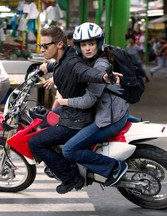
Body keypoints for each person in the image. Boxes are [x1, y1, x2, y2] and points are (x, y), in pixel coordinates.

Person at [27, 26, 120, 194]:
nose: (42, 49)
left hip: (84, 117)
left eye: (45, 46)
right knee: (46, 120)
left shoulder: (88, 64)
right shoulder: (71, 55)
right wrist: (45, 68)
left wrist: (103, 77)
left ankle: (71, 177)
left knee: (36, 143)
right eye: (83, 45)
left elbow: (84, 73)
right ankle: (60, 162)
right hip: (75, 112)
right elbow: (62, 64)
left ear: (60, 44)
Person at [54, 22, 129, 188]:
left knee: (69, 150)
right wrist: (50, 69)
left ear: (99, 43)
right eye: (83, 45)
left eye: (91, 44)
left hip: (108, 118)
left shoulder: (100, 65)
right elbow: (72, 67)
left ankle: (115, 168)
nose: (87, 48)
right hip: (110, 109)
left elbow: (88, 101)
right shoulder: (88, 60)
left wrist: (64, 100)